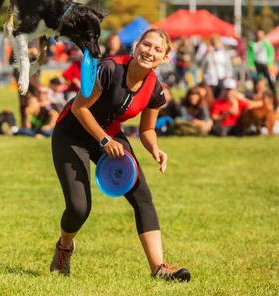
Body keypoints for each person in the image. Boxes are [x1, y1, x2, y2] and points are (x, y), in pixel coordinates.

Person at [49, 28, 190, 281]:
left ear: (165, 58)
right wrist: (104, 140)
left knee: (142, 196)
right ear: (136, 46)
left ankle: (159, 269)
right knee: (79, 208)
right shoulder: (110, 69)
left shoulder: (155, 89)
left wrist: (155, 149)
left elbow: (147, 129)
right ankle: (64, 247)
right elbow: (80, 108)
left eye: (158, 49)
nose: (150, 51)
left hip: (110, 137)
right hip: (72, 135)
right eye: (146, 45)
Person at [247, 30, 276, 98]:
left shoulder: (267, 44)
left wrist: (269, 64)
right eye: (258, 34)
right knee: (256, 80)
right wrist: (251, 65)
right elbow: (250, 56)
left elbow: (271, 54)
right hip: (256, 65)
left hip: (265, 65)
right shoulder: (252, 44)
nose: (259, 36)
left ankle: (273, 96)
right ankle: (256, 95)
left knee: (269, 80)